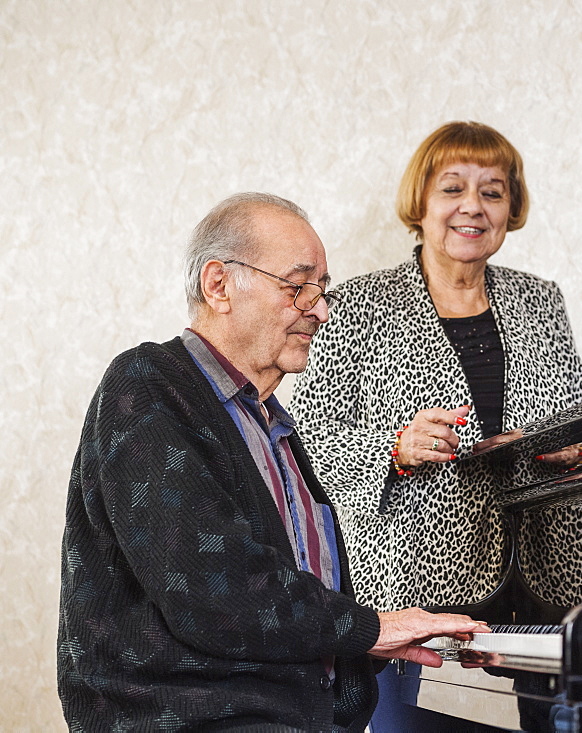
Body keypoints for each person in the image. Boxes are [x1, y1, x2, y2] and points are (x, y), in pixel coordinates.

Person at [57, 192, 488, 732]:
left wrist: (364, 648)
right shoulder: (147, 386)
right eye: (298, 285)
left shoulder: (274, 426)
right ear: (219, 286)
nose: (322, 309)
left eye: (322, 289)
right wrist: (369, 628)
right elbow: (215, 592)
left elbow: (282, 609)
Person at [289, 122, 582, 732]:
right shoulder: (355, 304)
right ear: (421, 205)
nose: (472, 207)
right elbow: (310, 437)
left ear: (511, 209)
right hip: (415, 589)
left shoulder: (541, 300)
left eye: (493, 191)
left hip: (547, 580)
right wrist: (393, 448)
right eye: (453, 188)